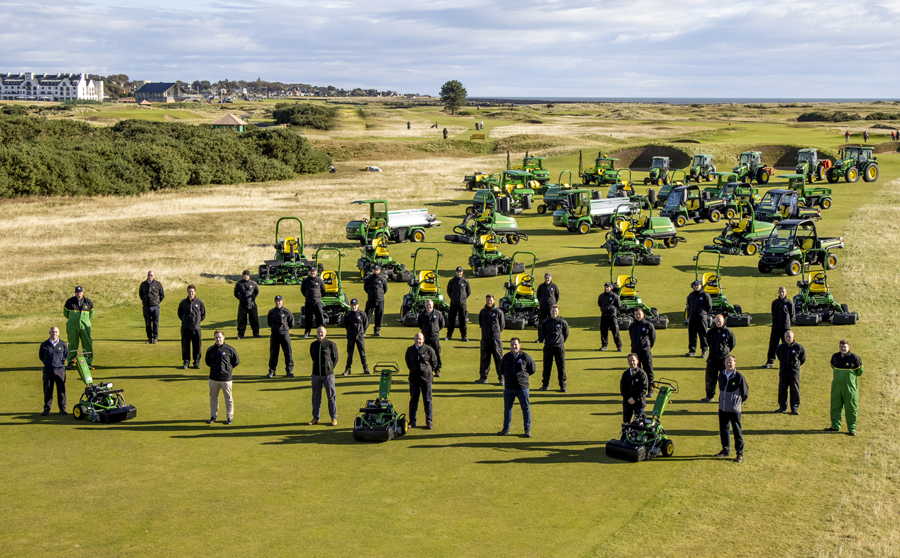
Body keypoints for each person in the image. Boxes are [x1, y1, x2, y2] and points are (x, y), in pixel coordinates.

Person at [714, 355, 749, 463]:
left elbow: (745, 393)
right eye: (727, 362)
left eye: (731, 362)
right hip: (723, 408)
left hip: (734, 410)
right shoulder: (721, 375)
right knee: (724, 431)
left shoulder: (739, 377)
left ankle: (739, 454)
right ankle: (725, 450)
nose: (729, 364)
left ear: (735, 364)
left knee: (737, 431)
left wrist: (737, 402)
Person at [825, 339, 864, 436]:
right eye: (841, 347)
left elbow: (860, 371)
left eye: (845, 347)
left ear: (849, 347)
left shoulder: (854, 358)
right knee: (835, 407)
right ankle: (835, 426)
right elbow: (832, 366)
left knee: (851, 408)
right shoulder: (835, 357)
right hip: (836, 387)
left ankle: (852, 429)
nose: (843, 348)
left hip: (850, 389)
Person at [498, 337, 535, 437]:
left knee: (526, 409)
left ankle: (527, 430)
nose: (514, 346)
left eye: (516, 344)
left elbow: (532, 369)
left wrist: (523, 378)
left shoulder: (526, 357)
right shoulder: (506, 357)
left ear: (520, 345)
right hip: (509, 388)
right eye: (512, 345)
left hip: (522, 388)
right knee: (507, 409)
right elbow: (501, 369)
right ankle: (506, 429)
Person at [206, 330, 239, 425]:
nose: (218, 339)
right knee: (213, 398)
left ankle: (229, 417)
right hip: (213, 378)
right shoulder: (210, 350)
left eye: (219, 337)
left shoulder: (230, 349)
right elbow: (208, 362)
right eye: (216, 337)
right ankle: (213, 416)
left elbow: (235, 362)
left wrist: (227, 369)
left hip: (226, 379)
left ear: (223, 338)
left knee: (228, 398)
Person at [406, 332, 438, 429]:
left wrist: (427, 371)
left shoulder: (429, 350)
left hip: (426, 379)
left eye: (420, 339)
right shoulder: (410, 350)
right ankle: (412, 421)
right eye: (416, 339)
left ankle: (429, 421)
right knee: (413, 401)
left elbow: (434, 363)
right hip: (414, 379)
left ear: (423, 340)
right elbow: (408, 363)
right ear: (414, 339)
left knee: (428, 400)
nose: (418, 341)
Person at [309, 326, 339, 426]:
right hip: (316, 375)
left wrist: (329, 368)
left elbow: (335, 358)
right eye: (318, 332)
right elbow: (312, 357)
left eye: (321, 332)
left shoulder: (331, 344)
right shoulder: (313, 345)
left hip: (328, 375)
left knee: (331, 397)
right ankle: (316, 418)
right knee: (316, 397)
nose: (320, 334)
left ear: (325, 333)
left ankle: (334, 418)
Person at [702, 314, 736, 403]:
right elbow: (708, 342)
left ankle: (725, 397)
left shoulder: (728, 332)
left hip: (724, 360)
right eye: (716, 321)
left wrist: (725, 351)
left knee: (725, 380)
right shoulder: (710, 332)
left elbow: (732, 344)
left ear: (723, 321)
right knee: (710, 379)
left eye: (720, 321)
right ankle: (709, 397)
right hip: (712, 359)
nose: (718, 323)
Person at [475, 294, 505, 384]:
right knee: (484, 359)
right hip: (485, 339)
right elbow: (481, 324)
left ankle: (502, 378)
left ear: (494, 301)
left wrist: (495, 333)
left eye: (490, 300)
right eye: (487, 300)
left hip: (496, 339)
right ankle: (483, 378)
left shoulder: (498, 312)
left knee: (499, 359)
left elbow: (502, 325)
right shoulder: (482, 312)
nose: (489, 301)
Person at [38, 326, 68, 416]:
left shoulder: (63, 344)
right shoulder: (44, 344)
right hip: (48, 371)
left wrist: (60, 364)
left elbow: (66, 355)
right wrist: (48, 363)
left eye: (56, 332)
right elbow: (41, 356)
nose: (54, 333)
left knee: (61, 390)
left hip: (60, 370)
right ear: (49, 333)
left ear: (58, 333)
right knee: (48, 390)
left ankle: (62, 409)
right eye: (52, 332)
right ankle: (47, 409)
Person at [539, 305, 569, 392]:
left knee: (561, 367)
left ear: (558, 312)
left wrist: (560, 342)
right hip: (548, 348)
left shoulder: (562, 322)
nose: (554, 313)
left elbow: (566, 334)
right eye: (552, 311)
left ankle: (563, 386)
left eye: (555, 311)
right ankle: (545, 385)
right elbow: (543, 333)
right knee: (547, 367)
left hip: (559, 348)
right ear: (550, 311)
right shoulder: (545, 322)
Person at [775, 330, 806, 415]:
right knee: (782, 390)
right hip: (783, 373)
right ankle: (782, 407)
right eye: (786, 337)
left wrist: (795, 366)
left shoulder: (798, 348)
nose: (788, 338)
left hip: (794, 374)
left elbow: (802, 359)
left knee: (794, 391)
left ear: (793, 337)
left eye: (789, 337)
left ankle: (794, 409)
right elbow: (779, 357)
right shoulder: (780, 347)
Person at [63, 286, 94, 369]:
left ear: (83, 292)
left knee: (87, 343)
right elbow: (66, 313)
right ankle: (71, 361)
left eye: (80, 292)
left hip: (85, 326)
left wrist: (83, 320)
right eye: (77, 292)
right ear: (75, 293)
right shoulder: (69, 302)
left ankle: (88, 362)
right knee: (72, 343)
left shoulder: (88, 302)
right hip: (72, 326)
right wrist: (73, 320)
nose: (78, 294)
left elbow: (91, 314)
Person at [763, 286, 794, 369]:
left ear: (786, 292)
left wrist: (786, 324)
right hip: (776, 327)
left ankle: (787, 363)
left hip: (785, 328)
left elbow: (792, 315)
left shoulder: (789, 303)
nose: (781, 293)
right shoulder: (775, 302)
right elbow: (773, 313)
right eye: (780, 292)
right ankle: (770, 362)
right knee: (773, 345)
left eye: (783, 292)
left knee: (787, 346)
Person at [177, 285, 206, 369]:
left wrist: (197, 321)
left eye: (192, 291)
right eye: (189, 291)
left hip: (196, 328)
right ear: (187, 292)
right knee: (185, 345)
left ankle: (196, 362)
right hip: (185, 328)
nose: (191, 293)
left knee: (197, 345)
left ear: (195, 292)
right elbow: (180, 314)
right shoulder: (183, 303)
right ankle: (186, 362)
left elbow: (203, 314)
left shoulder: (199, 302)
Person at [266, 295, 294, 378]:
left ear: (282, 301)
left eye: (279, 301)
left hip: (284, 334)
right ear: (274, 302)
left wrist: (284, 329)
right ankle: (272, 371)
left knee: (288, 353)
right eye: (276, 301)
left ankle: (289, 371)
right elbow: (269, 323)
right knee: (273, 353)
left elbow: (291, 323)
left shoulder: (286, 312)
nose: (278, 302)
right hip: (274, 334)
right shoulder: (271, 312)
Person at [628, 308, 656, 388]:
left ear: (643, 315)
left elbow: (652, 339)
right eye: (636, 314)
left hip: (645, 352)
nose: (637, 316)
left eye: (639, 314)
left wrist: (646, 347)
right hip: (635, 352)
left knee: (648, 370)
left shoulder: (649, 325)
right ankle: (638, 388)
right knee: (635, 371)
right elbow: (631, 337)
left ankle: (650, 388)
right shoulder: (632, 325)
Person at [417, 299, 446, 377]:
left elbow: (442, 324)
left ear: (433, 305)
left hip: (435, 337)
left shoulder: (438, 314)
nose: (428, 306)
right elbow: (420, 324)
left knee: (436, 353)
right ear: (425, 306)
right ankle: (424, 370)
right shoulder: (422, 314)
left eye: (430, 305)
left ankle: (437, 370)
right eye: (427, 305)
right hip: (425, 337)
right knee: (424, 354)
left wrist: (435, 330)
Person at [342, 299, 369, 375]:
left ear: (358, 305)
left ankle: (365, 368)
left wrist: (362, 332)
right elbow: (345, 324)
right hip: (351, 336)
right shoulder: (347, 315)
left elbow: (365, 324)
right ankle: (348, 369)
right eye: (352, 305)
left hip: (360, 336)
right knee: (350, 353)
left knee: (362, 353)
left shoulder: (362, 314)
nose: (354, 307)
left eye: (355, 305)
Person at [685, 280, 711, 357]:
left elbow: (709, 306)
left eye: (697, 285)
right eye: (695, 285)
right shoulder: (691, 295)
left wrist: (703, 313)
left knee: (703, 335)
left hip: (701, 318)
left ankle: (704, 351)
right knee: (692, 335)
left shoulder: (705, 295)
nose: (696, 287)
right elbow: (689, 305)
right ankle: (692, 350)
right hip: (692, 317)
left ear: (701, 286)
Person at [620, 353, 649, 423]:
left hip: (639, 403)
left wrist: (634, 398)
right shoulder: (625, 374)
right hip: (627, 403)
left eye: (633, 360)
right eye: (630, 361)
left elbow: (644, 388)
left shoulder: (642, 374)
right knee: (626, 424)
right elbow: (622, 388)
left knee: (640, 424)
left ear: (637, 361)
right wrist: (628, 398)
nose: (631, 362)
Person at [139, 270, 165, 344]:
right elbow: (141, 294)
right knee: (147, 323)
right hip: (146, 307)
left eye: (151, 275)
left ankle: (155, 338)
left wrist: (157, 302)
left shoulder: (158, 284)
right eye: (149, 275)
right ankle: (149, 338)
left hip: (155, 307)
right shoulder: (143, 284)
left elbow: (162, 295)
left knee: (155, 323)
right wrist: (145, 301)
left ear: (154, 276)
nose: (150, 276)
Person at [446, 266, 471, 341]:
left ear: (462, 272)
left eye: (460, 272)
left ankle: (464, 336)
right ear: (455, 272)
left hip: (462, 304)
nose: (458, 273)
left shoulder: (465, 281)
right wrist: (453, 298)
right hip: (453, 303)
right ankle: (449, 335)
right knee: (451, 320)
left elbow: (468, 292)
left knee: (462, 320)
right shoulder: (451, 281)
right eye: (457, 272)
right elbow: (449, 291)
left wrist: (463, 299)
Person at [234, 270, 260, 339]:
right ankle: (240, 334)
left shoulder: (253, 283)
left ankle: (256, 333)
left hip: (252, 305)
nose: (246, 276)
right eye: (244, 275)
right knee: (241, 319)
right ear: (243, 276)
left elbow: (257, 292)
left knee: (254, 319)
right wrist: (241, 299)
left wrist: (252, 298)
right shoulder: (239, 284)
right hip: (242, 305)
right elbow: (236, 293)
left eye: (247, 275)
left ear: (249, 276)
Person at [301, 268, 326, 338]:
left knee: (319, 318)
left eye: (314, 271)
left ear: (316, 272)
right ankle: (307, 332)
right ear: (309, 272)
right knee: (308, 318)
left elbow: (323, 290)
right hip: (308, 302)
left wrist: (318, 297)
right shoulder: (305, 281)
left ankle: (320, 333)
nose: (312, 273)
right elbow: (303, 290)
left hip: (317, 302)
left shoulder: (319, 280)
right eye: (311, 271)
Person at [363, 265, 388, 336]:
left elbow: (385, 289)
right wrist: (371, 294)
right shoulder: (368, 279)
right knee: (367, 315)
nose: (375, 271)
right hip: (371, 300)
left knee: (379, 316)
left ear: (379, 271)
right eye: (374, 270)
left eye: (377, 270)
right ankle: (364, 331)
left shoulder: (383, 280)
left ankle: (376, 331)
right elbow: (365, 288)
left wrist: (379, 295)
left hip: (380, 300)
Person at [535, 273, 560, 343]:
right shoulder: (541, 286)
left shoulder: (554, 286)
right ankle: (540, 338)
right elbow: (538, 296)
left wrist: (553, 304)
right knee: (541, 323)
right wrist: (542, 302)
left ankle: (551, 339)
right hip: (542, 308)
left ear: (551, 278)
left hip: (551, 309)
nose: (547, 279)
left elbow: (557, 296)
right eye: (546, 277)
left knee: (552, 323)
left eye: (548, 278)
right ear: (544, 278)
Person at [597, 282, 622, 351]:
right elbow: (599, 304)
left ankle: (619, 346)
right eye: (605, 287)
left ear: (611, 288)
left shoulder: (615, 296)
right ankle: (604, 346)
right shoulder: (601, 296)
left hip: (612, 316)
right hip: (604, 316)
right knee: (603, 332)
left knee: (615, 332)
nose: (606, 288)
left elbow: (619, 305)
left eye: (607, 287)